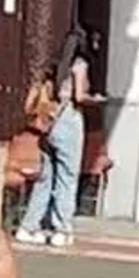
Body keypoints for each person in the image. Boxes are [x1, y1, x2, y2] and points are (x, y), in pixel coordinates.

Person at [18, 43, 90, 242]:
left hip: (48, 124)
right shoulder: (78, 64)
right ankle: (61, 229)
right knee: (67, 176)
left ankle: (28, 226)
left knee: (45, 177)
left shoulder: (50, 68)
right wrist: (95, 99)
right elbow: (79, 96)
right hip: (68, 121)